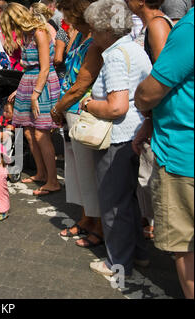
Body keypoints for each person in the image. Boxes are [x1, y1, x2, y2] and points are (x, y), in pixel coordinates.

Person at [81, 0, 152, 278]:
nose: (91, 35)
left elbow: (116, 106)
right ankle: (138, 254)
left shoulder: (114, 55)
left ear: (105, 29)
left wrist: (88, 104)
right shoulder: (134, 48)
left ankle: (118, 263)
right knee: (128, 201)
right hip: (134, 134)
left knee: (114, 204)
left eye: (93, 29)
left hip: (117, 137)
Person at [135, 7, 194, 299]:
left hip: (184, 155)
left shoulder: (190, 29)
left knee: (185, 249)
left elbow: (150, 91)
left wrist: (143, 104)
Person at [49, 0, 105, 248]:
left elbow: (82, 83)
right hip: (70, 111)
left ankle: (100, 225)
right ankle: (87, 217)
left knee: (89, 172)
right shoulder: (79, 37)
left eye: (70, 16)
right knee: (76, 170)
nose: (67, 21)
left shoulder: (94, 43)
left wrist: (58, 107)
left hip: (81, 112)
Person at [1, 3, 61, 197]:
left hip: (41, 85)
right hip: (28, 82)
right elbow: (28, 67)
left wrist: (35, 94)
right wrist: (21, 89)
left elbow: (45, 67)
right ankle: (41, 173)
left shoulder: (39, 32)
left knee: (41, 134)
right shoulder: (26, 34)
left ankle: (53, 181)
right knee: (28, 132)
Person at [127, 0, 174, 240]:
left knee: (150, 174)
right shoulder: (151, 25)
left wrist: (150, 116)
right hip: (151, 115)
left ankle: (158, 226)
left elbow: (164, 75)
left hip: (158, 114)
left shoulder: (156, 25)